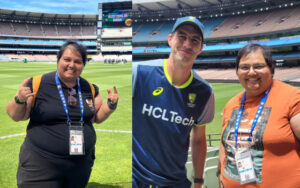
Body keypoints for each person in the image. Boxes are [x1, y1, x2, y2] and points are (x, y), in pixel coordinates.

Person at [6, 40, 118, 188]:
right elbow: (16, 115)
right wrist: (19, 99)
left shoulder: (89, 88)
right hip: (41, 164)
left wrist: (110, 105)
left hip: (79, 165)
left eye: (78, 61)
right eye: (67, 59)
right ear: (58, 60)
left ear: (83, 65)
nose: (72, 65)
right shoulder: (37, 83)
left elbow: (96, 118)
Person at [132, 16, 215, 187]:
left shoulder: (205, 92)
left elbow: (199, 139)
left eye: (194, 40)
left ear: (201, 48)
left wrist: (198, 181)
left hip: (174, 182)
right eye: (182, 36)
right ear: (170, 39)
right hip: (135, 178)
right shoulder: (139, 73)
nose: (187, 44)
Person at [217, 43, 300, 187]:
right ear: (237, 72)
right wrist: (220, 175)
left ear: (271, 69)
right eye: (244, 67)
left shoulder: (292, 97)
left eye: (258, 66)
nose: (251, 72)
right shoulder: (231, 104)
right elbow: (224, 145)